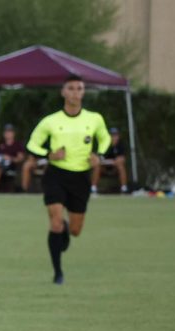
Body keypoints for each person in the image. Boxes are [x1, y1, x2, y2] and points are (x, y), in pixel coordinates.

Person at [26, 74, 111, 285]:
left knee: (75, 231)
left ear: (83, 92)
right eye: (71, 88)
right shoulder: (51, 121)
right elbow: (32, 144)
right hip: (56, 175)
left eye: (79, 88)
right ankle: (58, 273)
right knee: (54, 222)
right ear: (63, 92)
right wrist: (49, 154)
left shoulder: (94, 118)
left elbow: (106, 138)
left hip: (81, 177)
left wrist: (98, 155)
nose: (75, 92)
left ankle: (64, 227)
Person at [0, 123, 26, 192]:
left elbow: (20, 158)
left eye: (9, 132)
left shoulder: (17, 145)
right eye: (6, 132)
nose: (7, 134)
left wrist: (10, 158)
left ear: (13, 133)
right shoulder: (0, 143)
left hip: (10, 165)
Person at [92, 126, 128, 194]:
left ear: (118, 136)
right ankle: (93, 188)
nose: (113, 137)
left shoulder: (121, 145)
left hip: (115, 168)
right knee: (97, 166)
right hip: (104, 168)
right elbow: (98, 158)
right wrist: (109, 161)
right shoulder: (103, 145)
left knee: (121, 166)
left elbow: (122, 159)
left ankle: (124, 188)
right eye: (112, 135)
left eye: (115, 135)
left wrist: (117, 161)